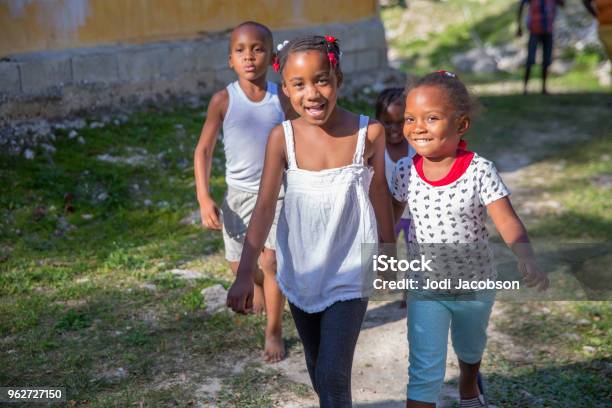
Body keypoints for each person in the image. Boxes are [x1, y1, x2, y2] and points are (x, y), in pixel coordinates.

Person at [227, 35, 395, 406]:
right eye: (298, 84)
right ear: (285, 89)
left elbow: (379, 193)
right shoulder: (281, 138)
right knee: (318, 366)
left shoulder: (369, 134)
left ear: (338, 79)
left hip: (350, 269)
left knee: (334, 376)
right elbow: (265, 206)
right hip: (300, 270)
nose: (312, 94)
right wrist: (244, 272)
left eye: (321, 80)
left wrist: (386, 253)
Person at [391, 71, 549, 408]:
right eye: (410, 118)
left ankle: (468, 389)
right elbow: (389, 219)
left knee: (470, 346)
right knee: (424, 369)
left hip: (475, 286)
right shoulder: (405, 170)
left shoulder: (479, 170)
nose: (417, 127)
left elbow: (507, 220)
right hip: (425, 287)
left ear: (461, 125)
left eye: (431, 118)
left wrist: (526, 256)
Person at [193, 21, 291, 363]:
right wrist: (204, 197)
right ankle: (259, 285)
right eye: (240, 50)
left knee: (271, 261)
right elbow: (203, 150)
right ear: (230, 60)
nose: (249, 56)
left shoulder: (284, 97)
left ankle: (274, 331)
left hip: (277, 194)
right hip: (238, 197)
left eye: (258, 49)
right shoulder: (223, 100)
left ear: (273, 56)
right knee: (240, 266)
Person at [375, 87, 416, 307]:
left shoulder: (416, 147)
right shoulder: (376, 149)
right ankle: (387, 277)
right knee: (385, 247)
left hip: (415, 214)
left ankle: (411, 291)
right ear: (377, 121)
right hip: (388, 213)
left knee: (415, 253)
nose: (394, 128)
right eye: (387, 122)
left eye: (400, 122)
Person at [517, 0, 565, 94]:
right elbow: (522, 5)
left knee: (546, 60)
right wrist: (519, 25)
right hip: (534, 30)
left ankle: (544, 88)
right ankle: (525, 88)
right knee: (530, 59)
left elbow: (562, 4)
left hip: (548, 30)